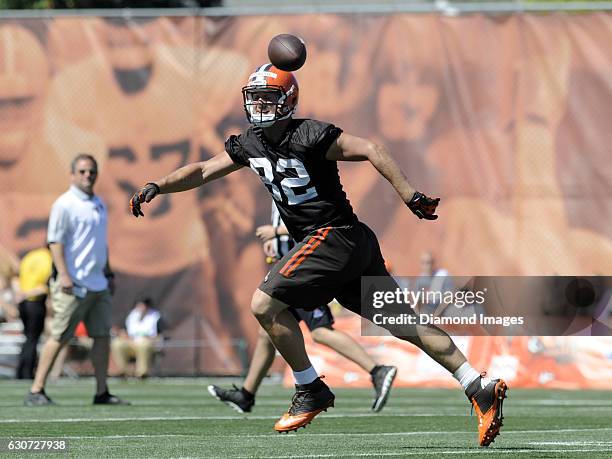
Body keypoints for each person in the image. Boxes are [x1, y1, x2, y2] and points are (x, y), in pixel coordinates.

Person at [130, 64, 507, 446]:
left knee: (264, 305)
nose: (260, 104)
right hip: (351, 242)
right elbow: (203, 169)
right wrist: (157, 185)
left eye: (268, 97)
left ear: (287, 102)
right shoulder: (250, 142)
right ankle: (478, 385)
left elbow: (371, 149)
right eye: (255, 97)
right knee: (403, 323)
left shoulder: (309, 134)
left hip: (332, 236)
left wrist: (409, 194)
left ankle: (310, 388)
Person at [208, 202, 397, 413]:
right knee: (267, 331)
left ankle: (376, 370)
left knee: (320, 331)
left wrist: (276, 232)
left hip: (303, 271)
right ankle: (246, 394)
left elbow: (310, 220)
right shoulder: (277, 181)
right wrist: (277, 242)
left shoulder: (292, 178)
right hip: (291, 270)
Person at [25, 153, 128, 406]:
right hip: (73, 284)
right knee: (59, 336)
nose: (87, 176)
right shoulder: (64, 204)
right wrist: (65, 276)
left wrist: (109, 272)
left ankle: (101, 392)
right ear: (72, 175)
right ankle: (36, 390)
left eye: (91, 171)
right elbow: (55, 242)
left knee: (102, 337)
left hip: (98, 283)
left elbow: (99, 245)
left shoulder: (99, 203)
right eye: (82, 171)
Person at [16, 247, 52, 379]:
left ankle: (20, 371)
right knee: (32, 339)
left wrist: (22, 294)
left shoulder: (30, 256)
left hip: (22, 302)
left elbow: (18, 276)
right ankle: (27, 372)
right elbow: (46, 285)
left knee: (28, 338)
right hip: (35, 302)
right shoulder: (49, 259)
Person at [111, 297, 163, 379]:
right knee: (117, 344)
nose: (141, 308)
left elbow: (159, 334)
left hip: (147, 344)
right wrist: (123, 334)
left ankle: (141, 373)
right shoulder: (132, 316)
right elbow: (123, 331)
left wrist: (151, 338)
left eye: (143, 306)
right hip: (131, 343)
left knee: (143, 345)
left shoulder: (155, 316)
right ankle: (124, 372)